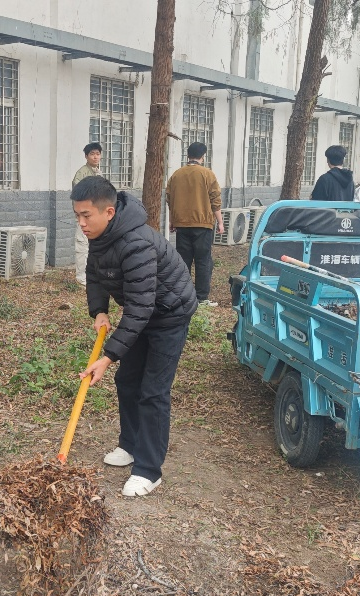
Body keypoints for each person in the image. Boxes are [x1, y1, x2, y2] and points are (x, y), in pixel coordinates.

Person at [73, 176, 197, 498]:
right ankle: (130, 445)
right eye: (77, 216)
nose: (81, 223)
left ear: (109, 212)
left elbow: (141, 308)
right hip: (143, 312)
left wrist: (107, 357)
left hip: (169, 314)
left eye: (86, 215)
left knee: (153, 391)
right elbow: (94, 273)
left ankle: (148, 470)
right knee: (127, 380)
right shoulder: (100, 236)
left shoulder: (135, 242)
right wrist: (99, 310)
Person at [165, 142, 222, 308]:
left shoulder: (176, 175)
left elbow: (170, 200)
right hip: (203, 224)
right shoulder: (207, 174)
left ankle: (183, 295)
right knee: (203, 261)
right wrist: (220, 221)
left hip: (182, 224)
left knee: (184, 261)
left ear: (188, 155)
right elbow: (215, 200)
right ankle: (202, 298)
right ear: (203, 156)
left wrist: (172, 221)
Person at [72, 142, 102, 286]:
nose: (95, 157)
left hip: (96, 216)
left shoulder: (99, 173)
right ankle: (81, 277)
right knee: (82, 245)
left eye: (98, 154)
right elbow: (77, 195)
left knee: (95, 244)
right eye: (92, 154)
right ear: (86, 156)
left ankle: (93, 274)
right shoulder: (82, 173)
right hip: (84, 216)